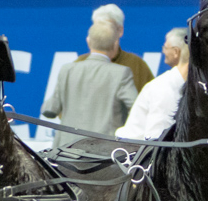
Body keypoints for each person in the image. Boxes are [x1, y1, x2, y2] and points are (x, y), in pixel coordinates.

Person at [43, 21, 138, 151]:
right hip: (102, 155)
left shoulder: (67, 70)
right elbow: (137, 109)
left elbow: (49, 110)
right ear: (115, 44)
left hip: (65, 151)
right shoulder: (121, 74)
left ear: (88, 41)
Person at [117, 28, 189, 141]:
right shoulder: (164, 89)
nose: (163, 51)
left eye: (165, 47)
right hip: (133, 153)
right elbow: (157, 142)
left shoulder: (176, 85)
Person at [75, 3, 154, 90]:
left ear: (120, 31)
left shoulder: (137, 66)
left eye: (107, 28)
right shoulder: (78, 65)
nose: (102, 33)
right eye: (97, 28)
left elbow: (152, 99)